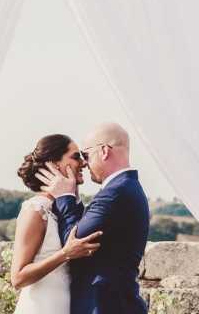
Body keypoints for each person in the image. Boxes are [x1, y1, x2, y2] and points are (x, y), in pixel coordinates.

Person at [38, 123, 150, 314]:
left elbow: (73, 242)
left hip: (105, 306)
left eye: (86, 155)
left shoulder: (116, 192)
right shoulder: (124, 188)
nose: (83, 163)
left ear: (104, 151)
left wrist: (65, 197)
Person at [11, 134, 102, 314]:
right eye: (76, 157)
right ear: (55, 164)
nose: (83, 163)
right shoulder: (36, 210)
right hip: (41, 306)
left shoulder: (68, 208)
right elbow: (18, 277)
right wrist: (64, 254)